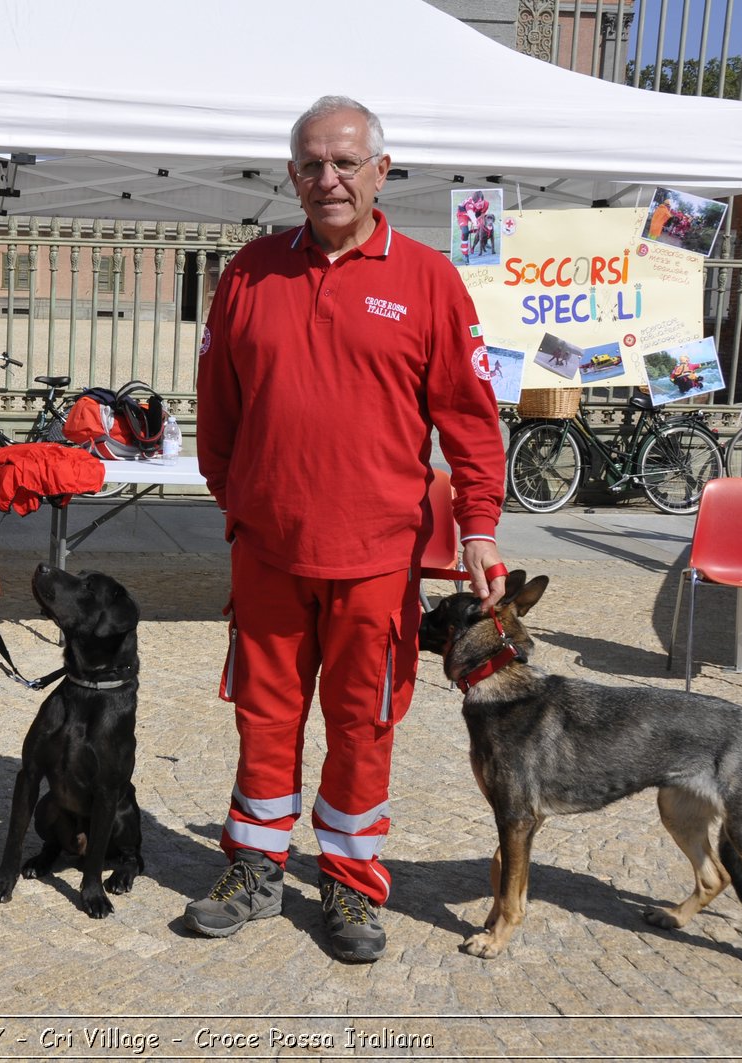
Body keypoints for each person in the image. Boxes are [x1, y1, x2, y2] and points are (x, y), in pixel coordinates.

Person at [185, 96, 507, 963]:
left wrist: (477, 525)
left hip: (376, 560)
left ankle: (351, 881)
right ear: (291, 175)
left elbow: (471, 420)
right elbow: (217, 416)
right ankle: (252, 867)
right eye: (311, 164)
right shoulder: (249, 272)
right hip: (269, 553)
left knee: (363, 721)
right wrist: (246, 499)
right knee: (265, 713)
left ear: (380, 172)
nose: (328, 178)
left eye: (345, 162)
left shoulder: (429, 279)